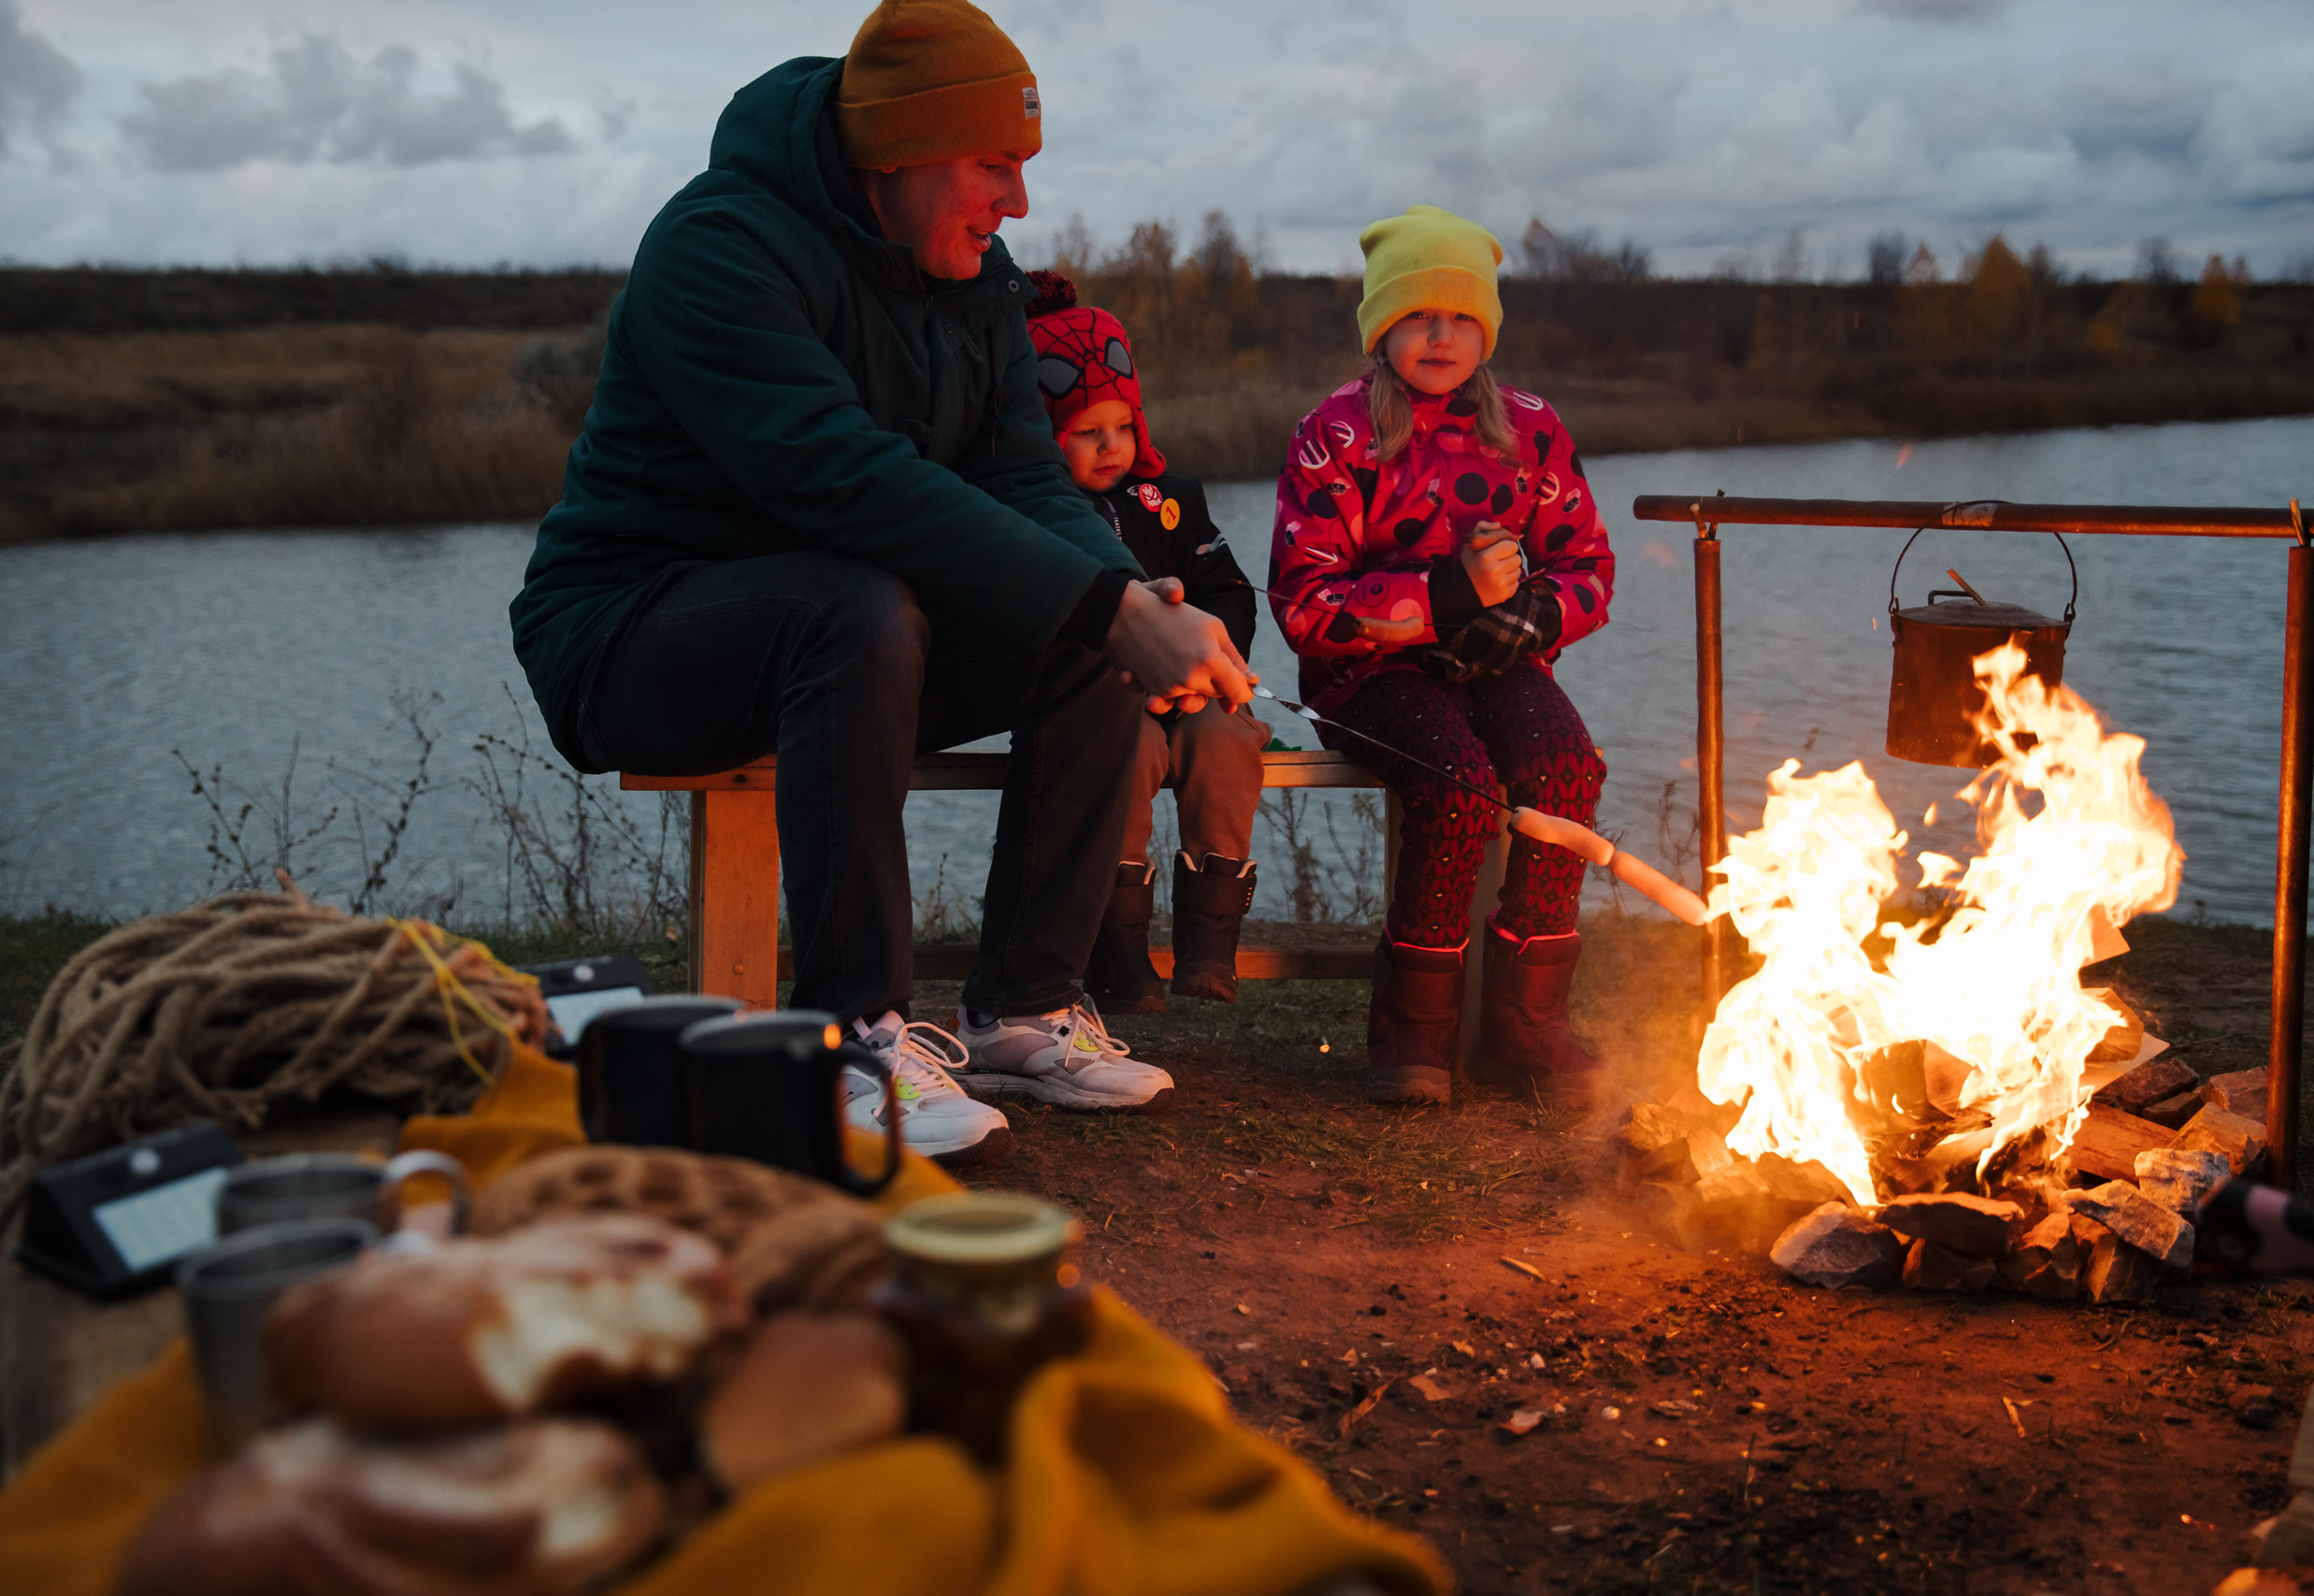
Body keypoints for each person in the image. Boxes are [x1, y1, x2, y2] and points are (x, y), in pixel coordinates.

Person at [507, 0, 1252, 1165]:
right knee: (858, 605)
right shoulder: (717, 247)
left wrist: (1130, 599)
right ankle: (849, 1039)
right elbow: (838, 479)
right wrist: (1100, 600)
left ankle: (1020, 1008)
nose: (1018, 202)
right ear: (895, 151)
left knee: (1080, 625)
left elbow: (1021, 473)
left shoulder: (974, 278)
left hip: (843, 636)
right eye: (995, 168)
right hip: (631, 631)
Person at [1267, 205, 1615, 1110]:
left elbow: (1587, 566)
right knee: (1456, 782)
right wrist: (1446, 596)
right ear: (1382, 327)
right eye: (1418, 314)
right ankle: (1411, 1035)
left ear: (1487, 331)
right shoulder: (1335, 434)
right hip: (1367, 673)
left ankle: (1524, 1029)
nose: (1440, 334)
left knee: (1565, 768)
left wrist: (1533, 618)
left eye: (1463, 316)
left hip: (1498, 660)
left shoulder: (1529, 430)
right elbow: (1304, 606)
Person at [1023, 271, 1269, 1013]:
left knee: (1229, 744)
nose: (1111, 446)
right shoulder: (1041, 514)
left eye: (1122, 427)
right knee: (1122, 761)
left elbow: (1228, 591)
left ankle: (1208, 944)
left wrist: (1210, 661)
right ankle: (1121, 956)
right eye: (1086, 433)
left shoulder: (1173, 502)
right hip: (1113, 700)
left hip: (1194, 688)